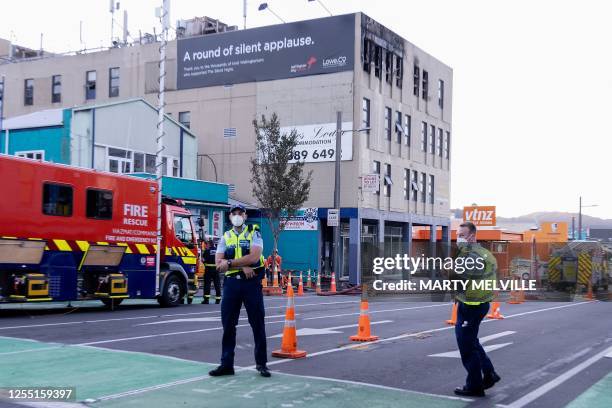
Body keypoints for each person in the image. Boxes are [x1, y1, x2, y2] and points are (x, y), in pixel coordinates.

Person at [208, 205, 271, 378]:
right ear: (230, 217)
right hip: (231, 285)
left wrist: (230, 263)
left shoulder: (254, 233)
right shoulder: (225, 236)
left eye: (240, 214)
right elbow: (218, 264)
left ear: (245, 216)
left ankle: (261, 364)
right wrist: (242, 265)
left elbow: (255, 257)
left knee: (257, 324)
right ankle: (226, 364)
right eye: (234, 214)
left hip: (251, 283)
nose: (237, 216)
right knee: (228, 326)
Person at [452, 221, 501, 397]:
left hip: (471, 305)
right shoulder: (484, 254)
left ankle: (474, 386)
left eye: (462, 235)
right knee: (472, 341)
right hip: (479, 303)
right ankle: (489, 373)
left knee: (466, 346)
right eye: (458, 235)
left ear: (472, 236)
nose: (459, 238)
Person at [201, 235, 221, 304]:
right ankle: (218, 299)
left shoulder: (207, 251)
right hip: (216, 269)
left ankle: (206, 300)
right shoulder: (217, 251)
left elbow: (203, 260)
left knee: (207, 284)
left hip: (208, 270)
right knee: (217, 284)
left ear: (209, 244)